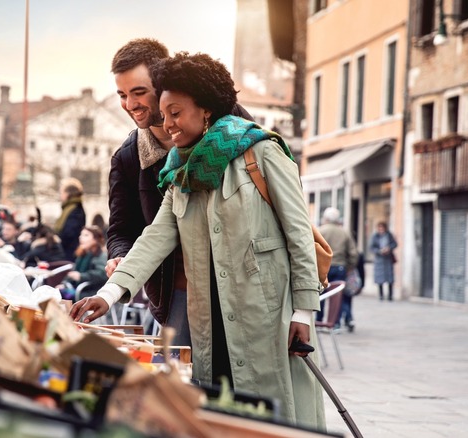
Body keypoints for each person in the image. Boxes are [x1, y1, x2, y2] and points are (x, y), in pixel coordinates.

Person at [71, 52, 324, 429]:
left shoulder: (262, 151)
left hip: (268, 314)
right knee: (219, 414)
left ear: (204, 110)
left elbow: (299, 234)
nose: (167, 124)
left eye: (176, 113)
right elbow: (153, 238)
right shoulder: (179, 174)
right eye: (164, 113)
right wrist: (107, 295)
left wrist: (304, 310)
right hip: (208, 316)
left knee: (274, 416)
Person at [104, 39, 252, 347]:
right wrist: (119, 257)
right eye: (122, 95)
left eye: (139, 92)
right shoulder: (128, 158)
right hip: (179, 292)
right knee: (181, 383)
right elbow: (122, 229)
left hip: (244, 284)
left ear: (162, 82)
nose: (130, 104)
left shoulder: (233, 124)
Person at [318, 207, 358, 332]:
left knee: (321, 294)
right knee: (337, 296)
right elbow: (353, 253)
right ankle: (335, 324)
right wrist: (350, 267)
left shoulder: (320, 231)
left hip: (323, 267)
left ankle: (319, 321)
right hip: (340, 267)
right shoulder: (344, 232)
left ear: (325, 218)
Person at [65, 226, 108, 301]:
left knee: (63, 294)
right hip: (78, 289)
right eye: (81, 235)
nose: (81, 237)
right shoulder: (82, 255)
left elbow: (102, 274)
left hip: (91, 292)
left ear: (95, 239)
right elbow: (72, 273)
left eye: (86, 235)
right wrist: (64, 283)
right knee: (56, 292)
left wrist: (81, 276)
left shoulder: (101, 256)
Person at [53, 178, 86, 260]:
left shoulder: (75, 210)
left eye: (62, 192)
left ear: (68, 194)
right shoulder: (69, 208)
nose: (60, 195)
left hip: (69, 252)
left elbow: (69, 233)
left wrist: (56, 238)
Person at [369, 221, 398, 301]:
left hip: (388, 259)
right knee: (380, 278)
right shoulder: (375, 236)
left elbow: (395, 244)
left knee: (390, 278)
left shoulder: (389, 235)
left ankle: (390, 296)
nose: (381, 229)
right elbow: (371, 247)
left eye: (382, 228)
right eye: (380, 228)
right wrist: (379, 251)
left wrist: (389, 248)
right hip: (379, 259)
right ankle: (381, 295)